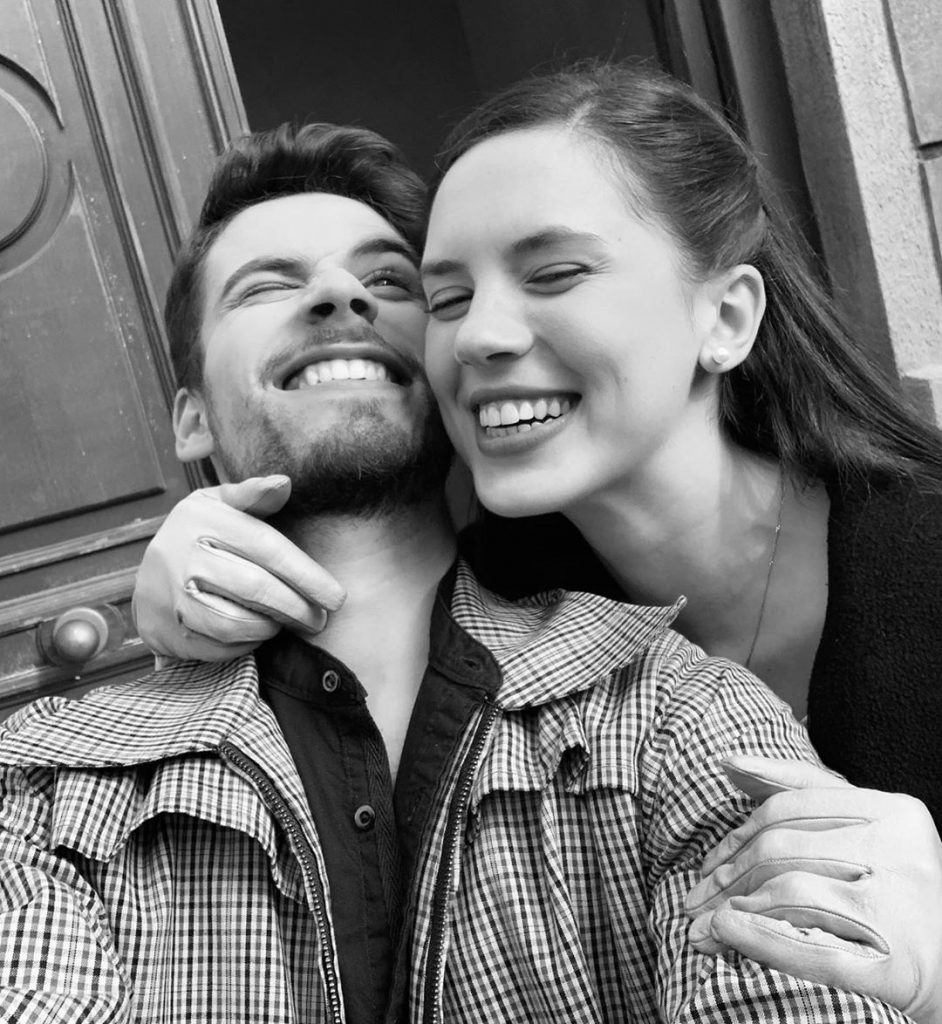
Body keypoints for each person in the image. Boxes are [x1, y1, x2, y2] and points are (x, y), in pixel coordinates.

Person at [0, 119, 912, 1024]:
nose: (337, 296)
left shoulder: (680, 713)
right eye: (268, 286)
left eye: (390, 283)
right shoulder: (48, 780)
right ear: (191, 420)